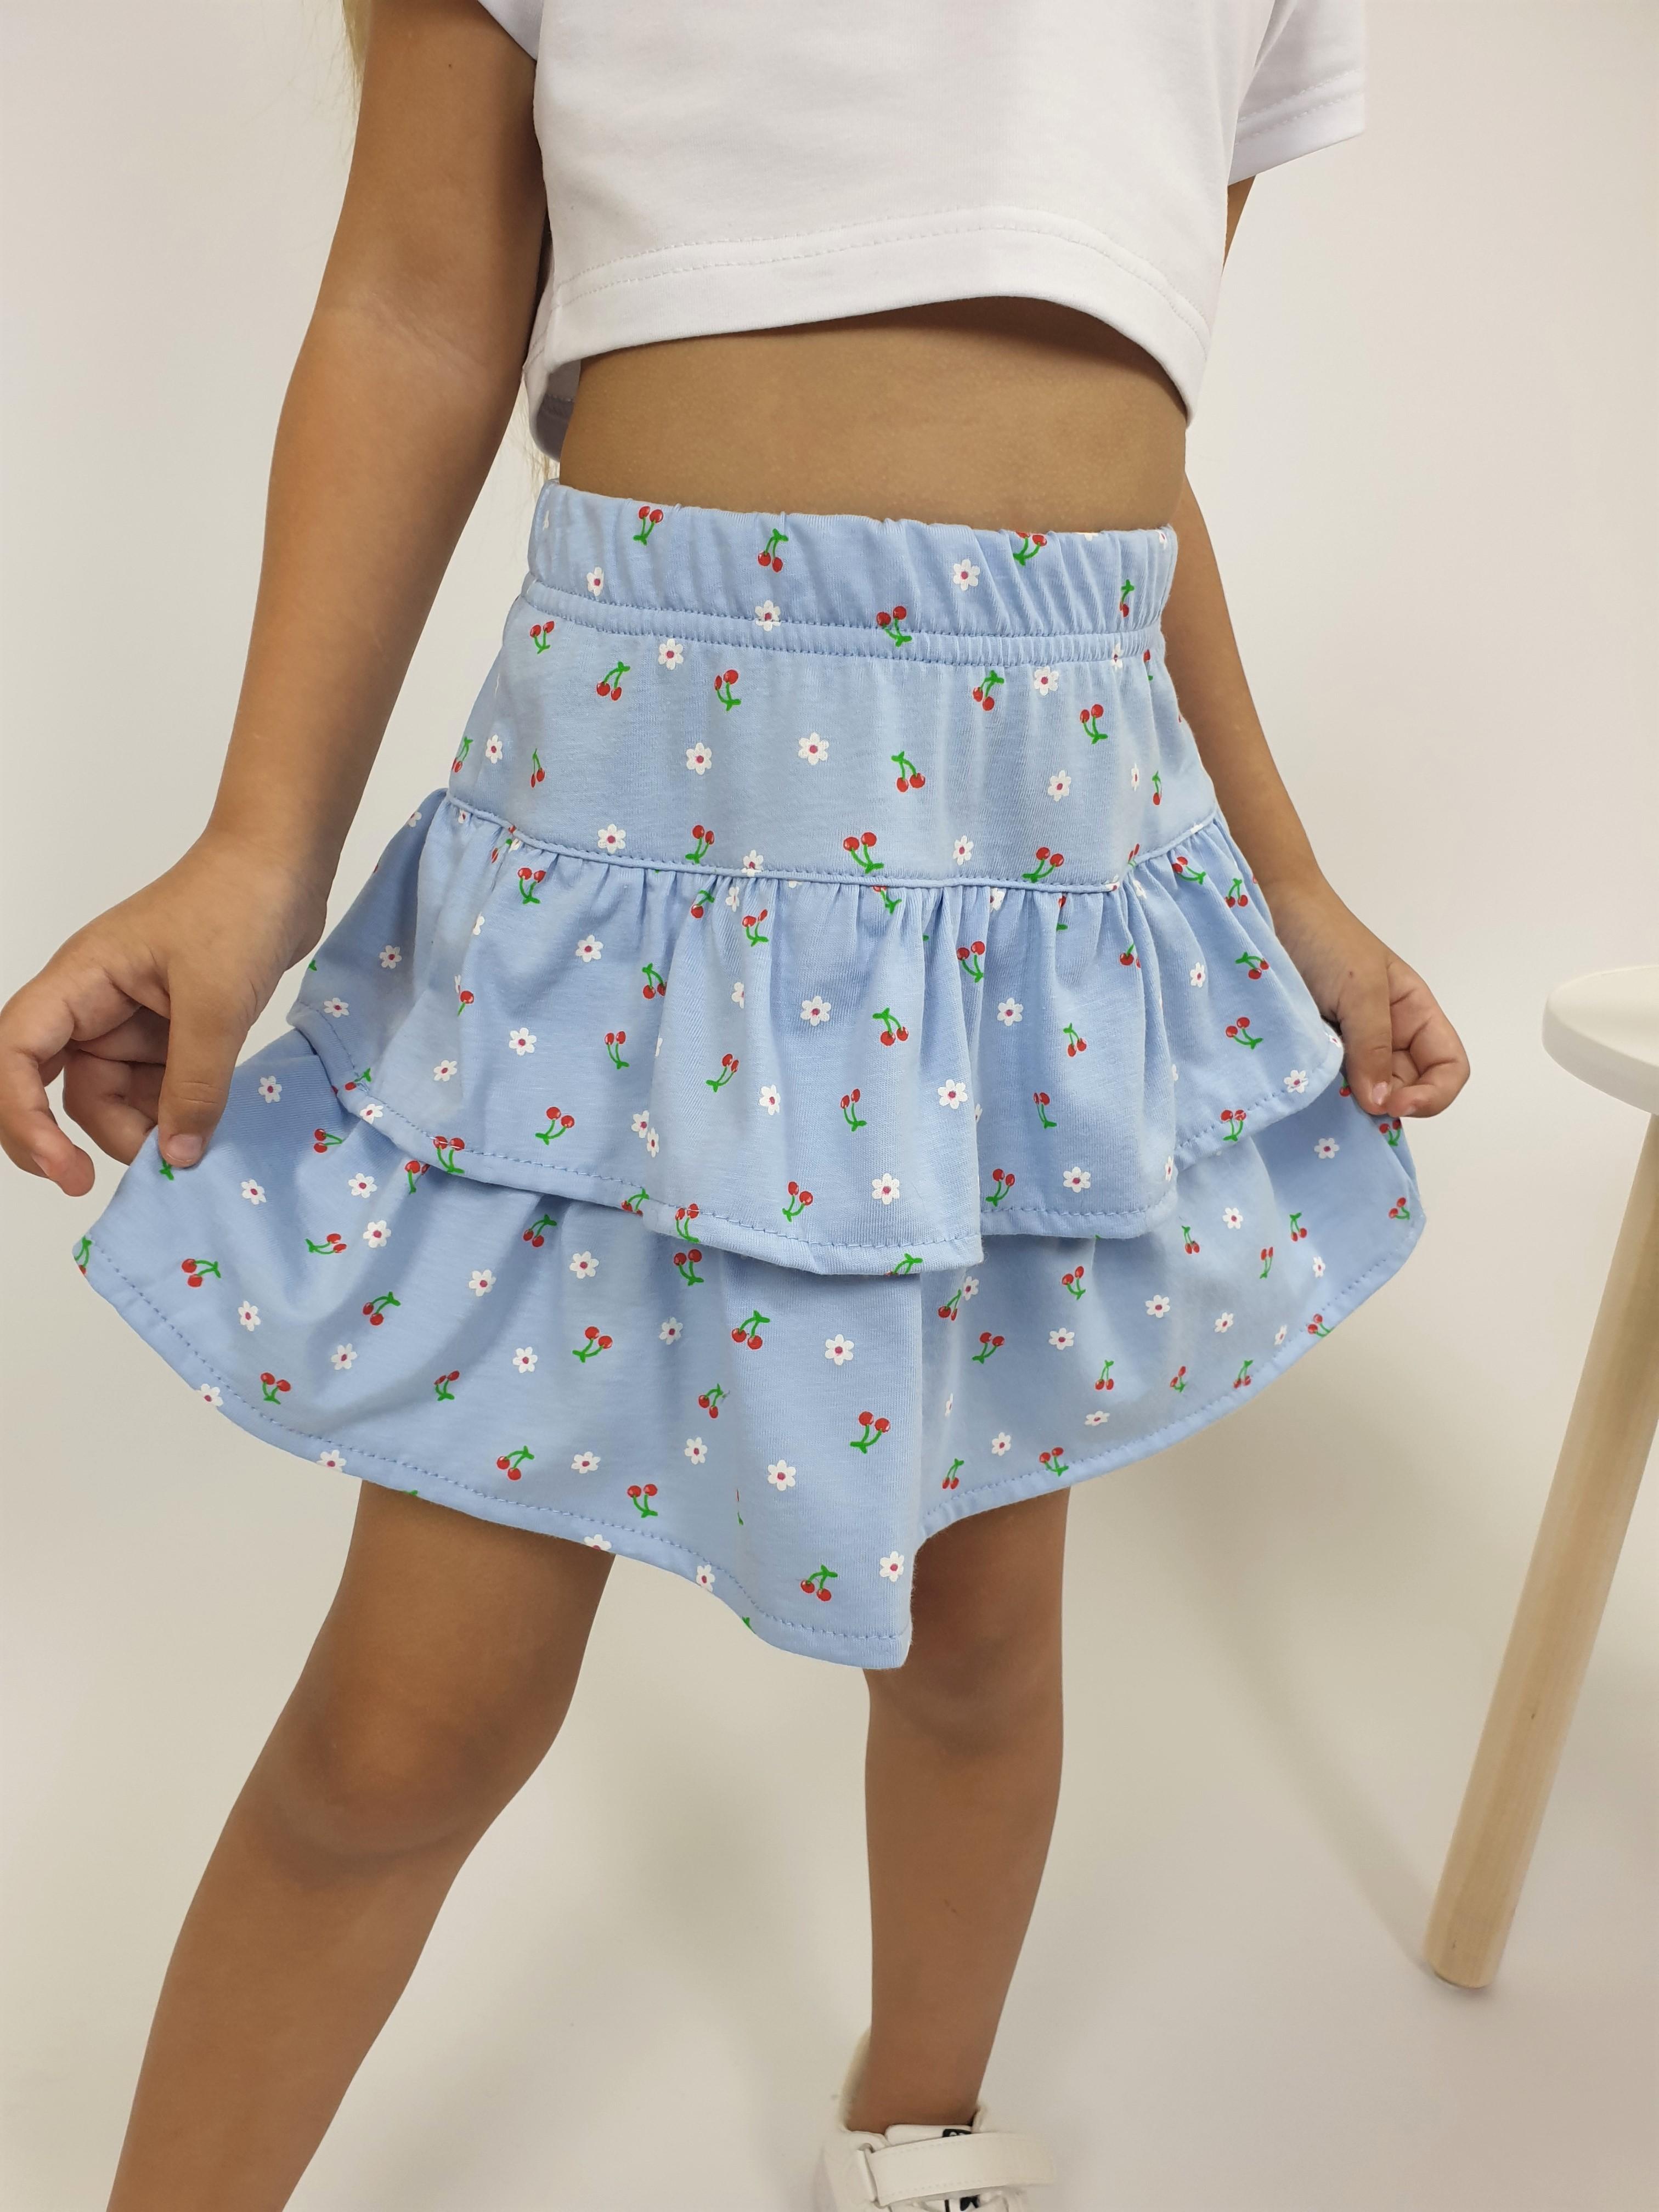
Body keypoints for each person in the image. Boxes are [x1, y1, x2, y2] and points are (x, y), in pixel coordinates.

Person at [0, 2, 1470, 2205]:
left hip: (1034, 880)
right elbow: (415, 308)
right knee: (408, 1731)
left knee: (978, 1645)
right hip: (649, 854)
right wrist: (254, 855)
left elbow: (1128, 445)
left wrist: (1299, 890)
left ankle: (922, 2136)